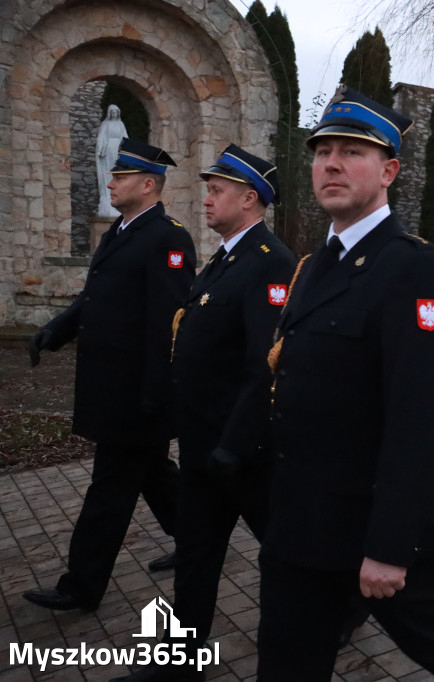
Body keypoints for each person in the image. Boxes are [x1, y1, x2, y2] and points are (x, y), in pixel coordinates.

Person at [255, 86, 434, 681]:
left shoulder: (415, 267)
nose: (331, 164)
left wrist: (390, 545)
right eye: (323, 152)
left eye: (352, 152)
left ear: (389, 172)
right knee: (285, 661)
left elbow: (424, 418)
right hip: (300, 522)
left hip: (371, 523)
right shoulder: (313, 264)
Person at [113, 145, 297, 682]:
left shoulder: (270, 261)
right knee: (196, 553)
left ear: (250, 198)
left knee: (287, 548)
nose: (207, 199)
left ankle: (343, 608)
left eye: (217, 191)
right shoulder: (225, 258)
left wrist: (234, 444)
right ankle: (180, 659)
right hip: (203, 445)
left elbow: (266, 364)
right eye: (209, 189)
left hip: (243, 451)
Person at [24, 139, 195, 612]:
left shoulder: (167, 238)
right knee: (153, 473)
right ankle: (197, 540)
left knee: (110, 489)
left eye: (121, 176)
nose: (111, 181)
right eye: (113, 173)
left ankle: (81, 586)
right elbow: (95, 297)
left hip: (135, 394)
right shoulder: (119, 231)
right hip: (114, 387)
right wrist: (56, 330)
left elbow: (169, 324)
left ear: (148, 185)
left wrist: (156, 394)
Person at [95, 105, 129, 217]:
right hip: (109, 149)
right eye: (112, 112)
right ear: (109, 113)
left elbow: (125, 137)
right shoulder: (105, 124)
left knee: (118, 171)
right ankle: (107, 196)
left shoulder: (121, 124)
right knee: (109, 170)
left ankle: (119, 193)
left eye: (116, 112)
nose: (114, 114)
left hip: (118, 149)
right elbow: (101, 137)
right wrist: (99, 148)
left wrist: (127, 148)